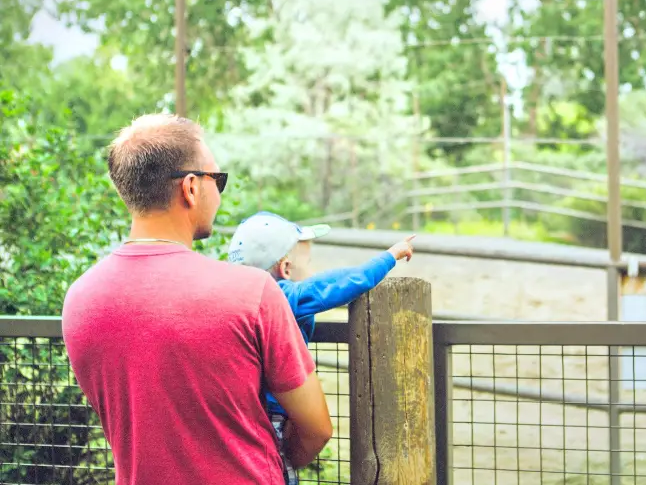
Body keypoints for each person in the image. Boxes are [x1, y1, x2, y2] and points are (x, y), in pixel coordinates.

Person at [61, 113, 332, 485]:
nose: (219, 191)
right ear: (190, 187)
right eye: (217, 179)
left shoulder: (79, 299)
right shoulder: (253, 292)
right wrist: (278, 462)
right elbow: (316, 427)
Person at [226, 211, 415, 484]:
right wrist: (388, 258)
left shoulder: (233, 298)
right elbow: (336, 285)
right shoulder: (281, 295)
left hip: (241, 413)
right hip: (273, 418)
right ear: (286, 269)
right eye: (308, 264)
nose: (311, 272)